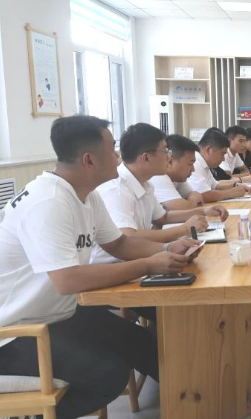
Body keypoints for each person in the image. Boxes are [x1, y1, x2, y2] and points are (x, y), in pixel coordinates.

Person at [0, 115, 201, 419]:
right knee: (107, 375)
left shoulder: (87, 195)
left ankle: (195, 403)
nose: (119, 156)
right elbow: (67, 280)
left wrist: (166, 249)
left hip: (59, 314)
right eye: (112, 149)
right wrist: (149, 264)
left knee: (144, 345)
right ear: (89, 160)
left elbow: (119, 244)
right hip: (15, 332)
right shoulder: (48, 202)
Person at [90, 123, 229, 264]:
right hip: (114, 267)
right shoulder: (117, 189)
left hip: (137, 260)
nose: (169, 158)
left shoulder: (146, 183)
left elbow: (163, 217)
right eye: (165, 152)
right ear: (146, 158)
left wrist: (204, 211)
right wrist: (184, 229)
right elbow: (129, 237)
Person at [188, 129, 251, 203]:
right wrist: (231, 193)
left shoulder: (204, 163)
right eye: (222, 154)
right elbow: (203, 195)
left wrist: (236, 185)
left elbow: (216, 185)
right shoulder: (195, 163)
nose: (223, 159)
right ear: (208, 150)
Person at [150, 134, 205, 210]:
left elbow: (197, 196)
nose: (193, 169)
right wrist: (191, 202)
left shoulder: (177, 178)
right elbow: (184, 209)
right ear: (170, 162)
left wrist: (190, 202)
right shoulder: (159, 177)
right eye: (190, 164)